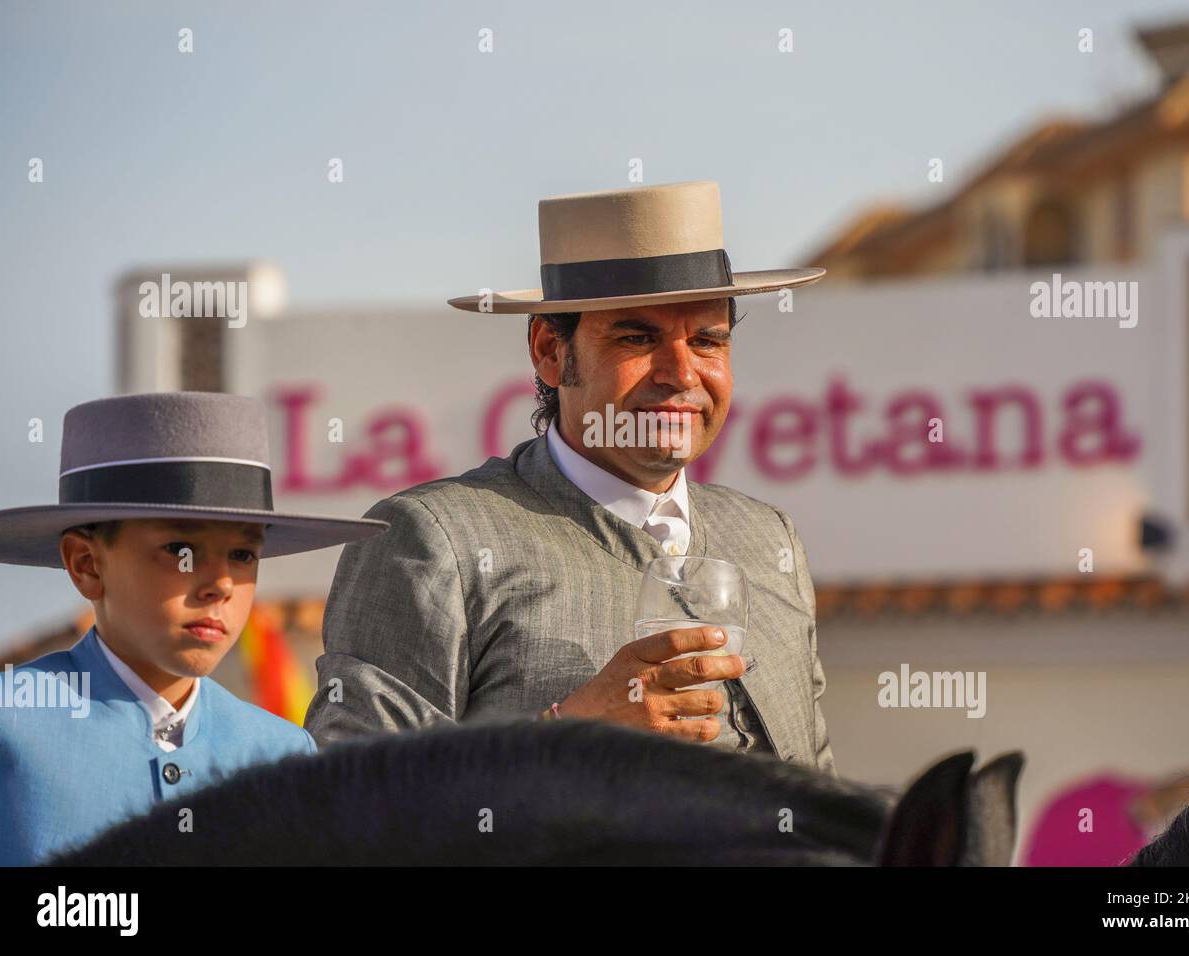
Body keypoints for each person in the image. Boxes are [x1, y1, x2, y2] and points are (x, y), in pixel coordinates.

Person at [305, 180, 837, 773]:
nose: (681, 371)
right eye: (637, 336)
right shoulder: (435, 541)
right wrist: (567, 738)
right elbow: (350, 805)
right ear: (550, 351)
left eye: (708, 340)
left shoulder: (769, 539)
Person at [0, 391, 388, 865]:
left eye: (242, 555)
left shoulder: (280, 754)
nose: (220, 584)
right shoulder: (3, 723)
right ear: (87, 564)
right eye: (182, 550)